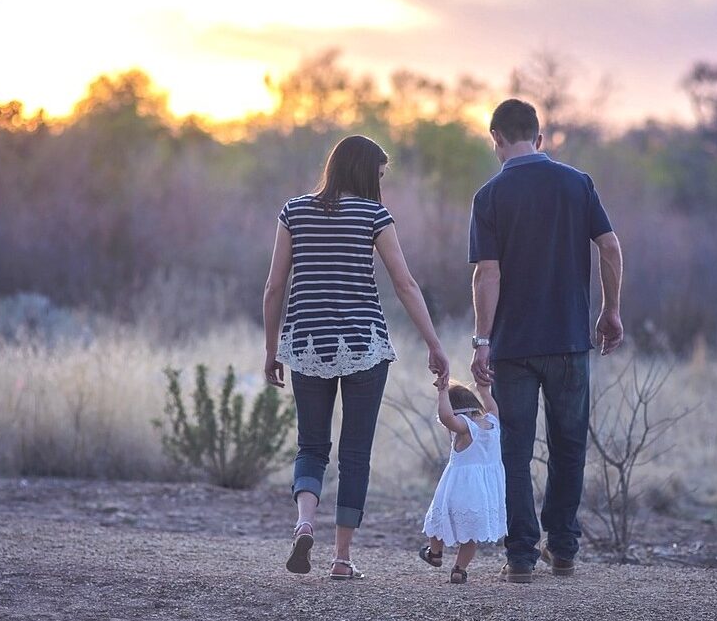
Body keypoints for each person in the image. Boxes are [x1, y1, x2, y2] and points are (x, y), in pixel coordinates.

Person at [263, 135, 450, 580]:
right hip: (365, 345)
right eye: (380, 174)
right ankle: (342, 558)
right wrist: (434, 343)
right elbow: (404, 284)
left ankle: (305, 522)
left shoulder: (294, 211)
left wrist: (272, 350)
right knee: (355, 453)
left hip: (307, 344)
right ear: (366, 173)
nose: (381, 183)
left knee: (311, 445)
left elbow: (274, 288)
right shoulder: (374, 215)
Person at [468, 99, 624, 583]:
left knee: (514, 450)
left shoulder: (489, 195)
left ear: (495, 138)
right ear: (539, 137)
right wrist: (611, 309)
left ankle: (519, 557)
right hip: (570, 341)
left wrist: (481, 340)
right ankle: (563, 549)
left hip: (513, 347)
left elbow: (486, 275)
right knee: (569, 445)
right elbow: (610, 246)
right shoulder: (578, 184)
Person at [419, 380, 507, 584]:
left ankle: (435, 553)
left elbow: (446, 417)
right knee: (471, 533)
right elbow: (492, 406)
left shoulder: (465, 427)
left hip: (459, 488)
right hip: (484, 492)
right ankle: (459, 569)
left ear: (458, 411)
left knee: (438, 519)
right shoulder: (493, 422)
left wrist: (442, 393)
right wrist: (484, 390)